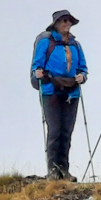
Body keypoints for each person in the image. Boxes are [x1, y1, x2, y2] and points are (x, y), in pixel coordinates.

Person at [32, 10, 88, 181]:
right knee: (55, 131)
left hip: (72, 92)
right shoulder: (45, 42)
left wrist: (82, 76)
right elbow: (37, 64)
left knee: (66, 131)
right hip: (51, 91)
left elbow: (83, 67)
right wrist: (38, 73)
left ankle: (64, 171)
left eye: (68, 21)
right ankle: (53, 171)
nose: (66, 24)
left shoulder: (76, 45)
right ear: (56, 24)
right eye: (63, 21)